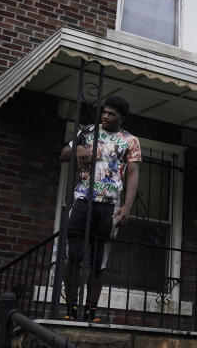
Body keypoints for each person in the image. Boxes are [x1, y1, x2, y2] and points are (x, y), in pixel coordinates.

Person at [59, 95, 141, 321]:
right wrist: (78, 150)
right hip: (83, 200)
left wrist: (127, 206)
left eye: (111, 114)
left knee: (98, 262)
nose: (105, 116)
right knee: (73, 256)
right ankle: (71, 309)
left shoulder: (130, 141)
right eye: (104, 112)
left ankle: (91, 311)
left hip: (110, 205)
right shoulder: (87, 132)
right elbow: (63, 154)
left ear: (121, 118)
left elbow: (133, 173)